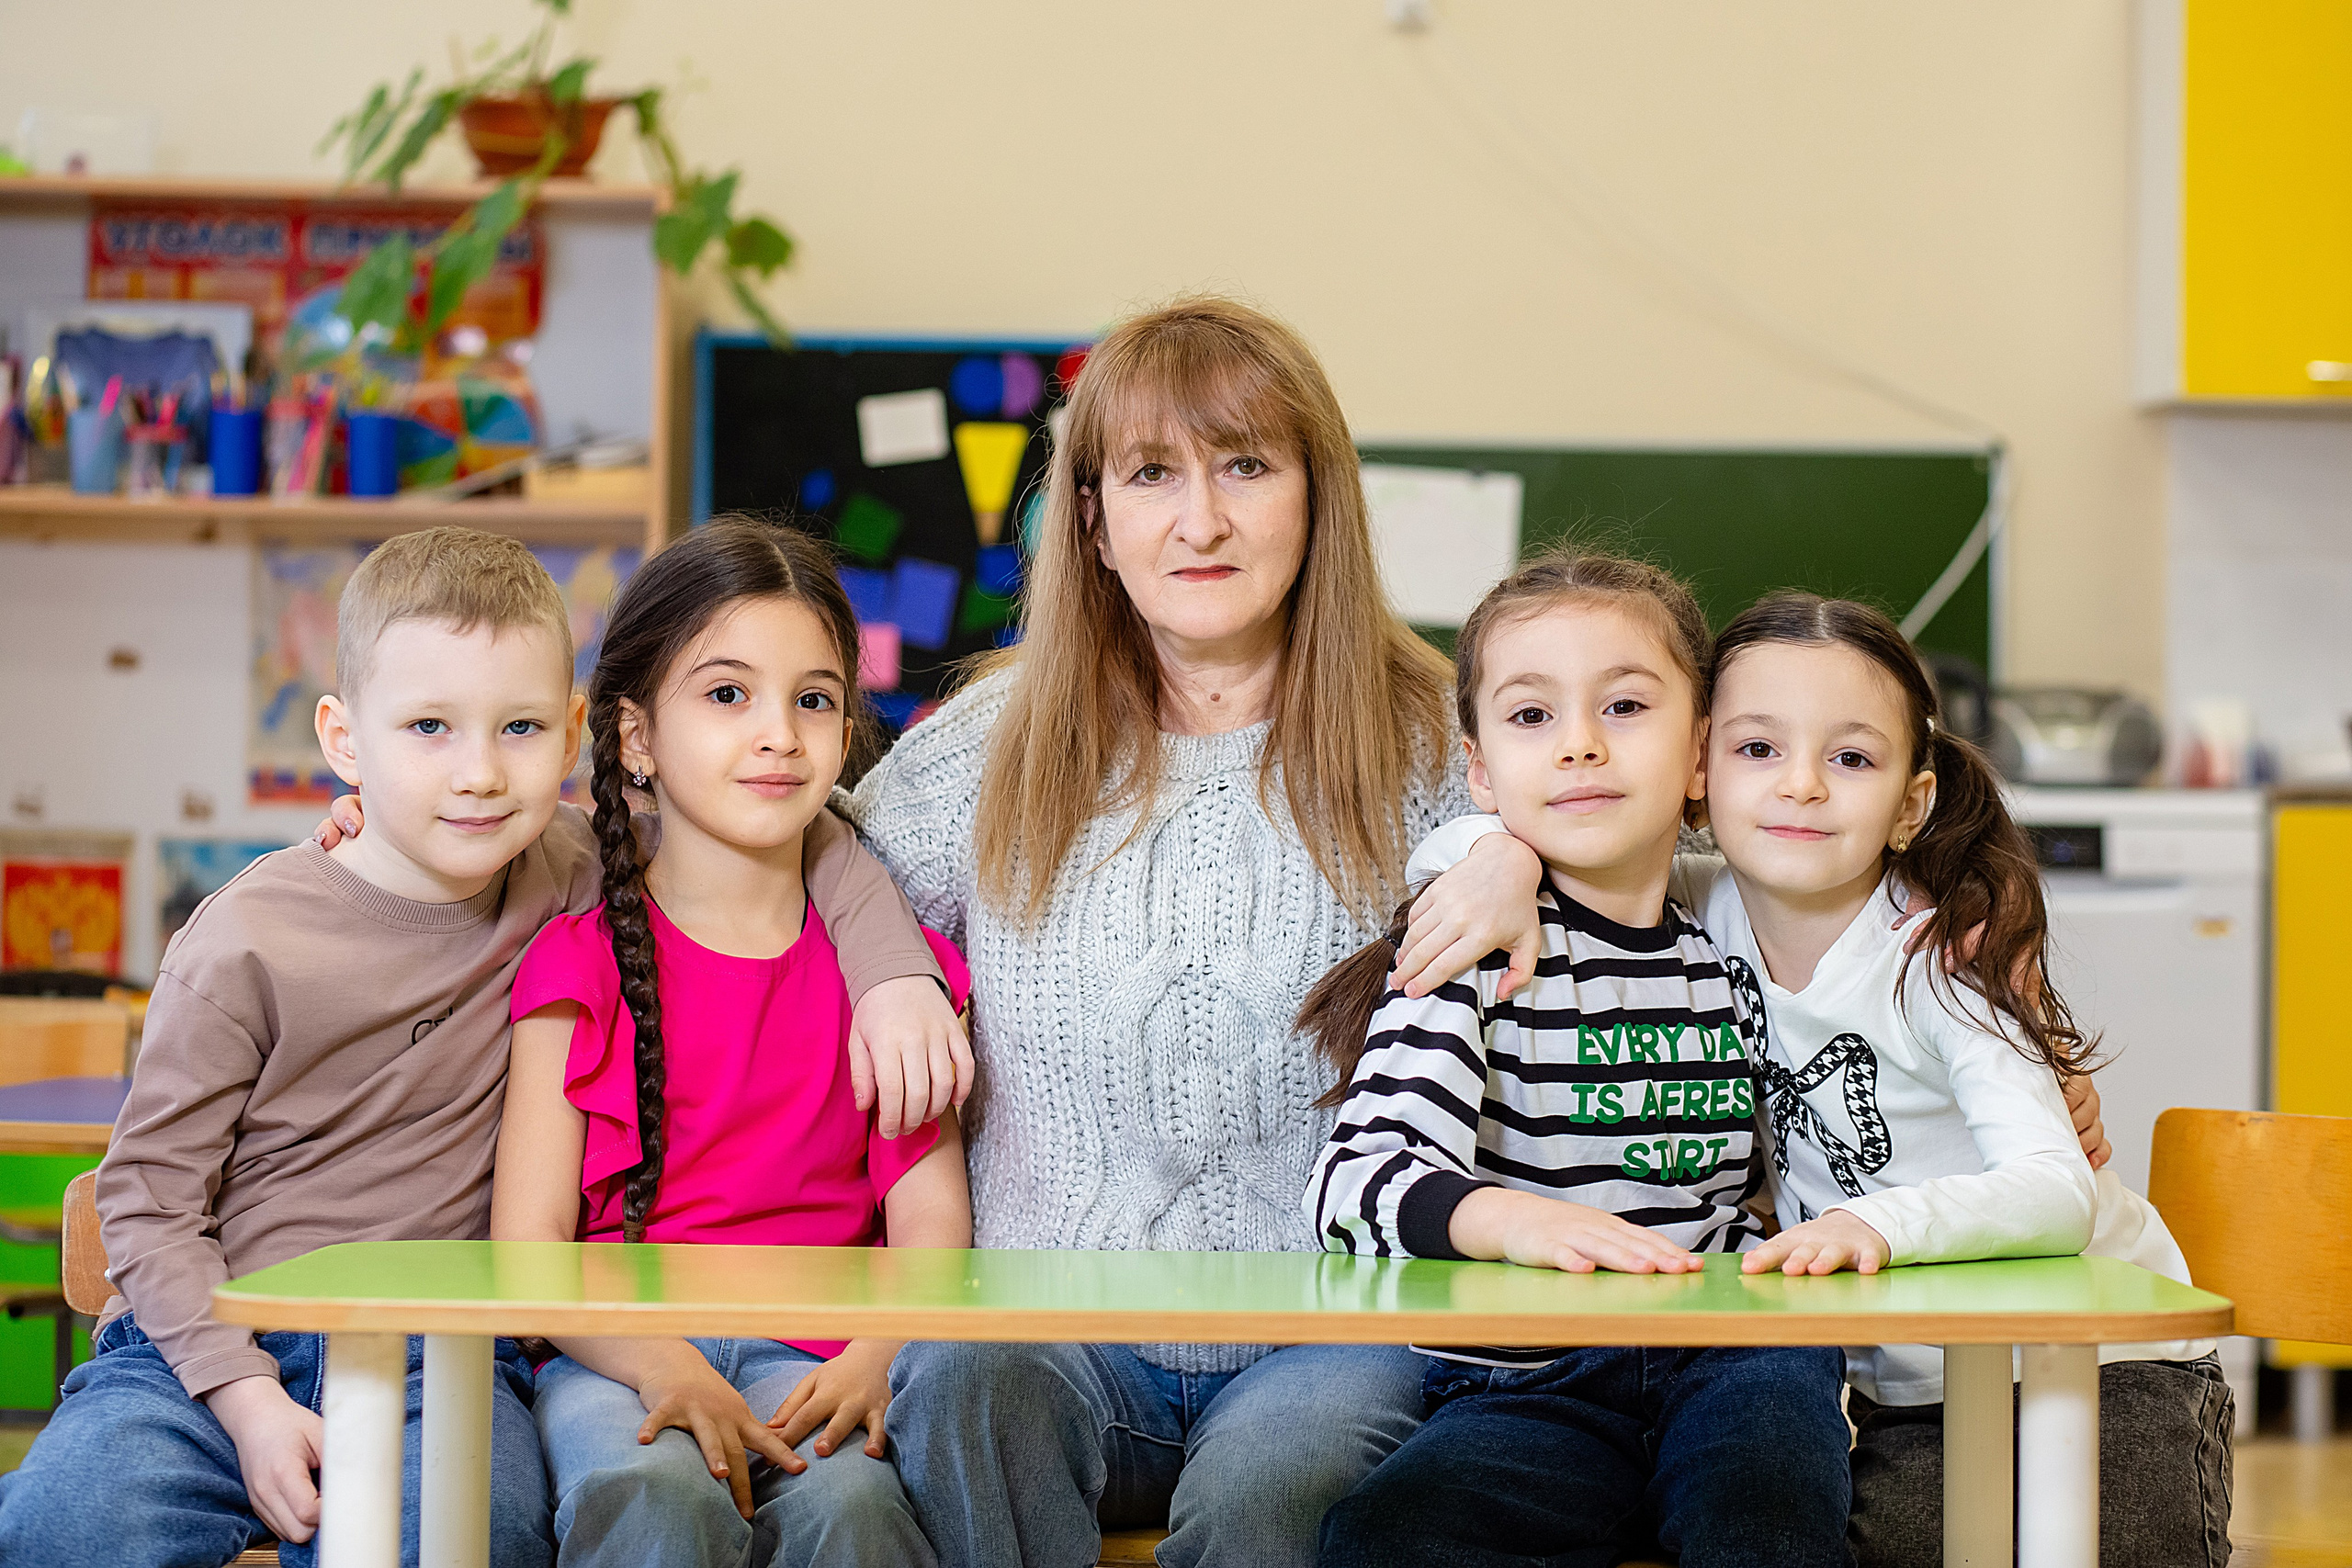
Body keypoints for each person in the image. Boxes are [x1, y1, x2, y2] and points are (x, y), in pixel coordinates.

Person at [0, 526, 950, 1568]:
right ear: (344, 740)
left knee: (480, 1538)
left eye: (520, 728)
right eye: (428, 728)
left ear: (575, 733)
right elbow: (147, 1198)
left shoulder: (573, 864)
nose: (481, 774)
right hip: (207, 1349)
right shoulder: (244, 939)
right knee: (57, 1529)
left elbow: (798, 831)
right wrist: (245, 1397)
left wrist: (892, 972)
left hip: (440, 1357)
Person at [846, 296, 1483, 1568]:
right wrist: (887, 965)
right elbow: (799, 855)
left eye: (1245, 465)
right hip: (1055, 1330)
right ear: (1091, 519)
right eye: (1151, 474)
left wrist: (1511, 849)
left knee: (1269, 1494)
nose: (1202, 521)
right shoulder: (990, 744)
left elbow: (1662, 855)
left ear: (1318, 496)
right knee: (964, 1381)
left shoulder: (1441, 740)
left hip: (1332, 1336)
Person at [1408, 590, 2230, 1568]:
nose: (1799, 786)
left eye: (1851, 759)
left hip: (2097, 1363)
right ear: (1699, 771)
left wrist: (1867, 1225)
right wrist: (1492, 858)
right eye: (1758, 749)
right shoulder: (1694, 913)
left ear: (1910, 805)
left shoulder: (1942, 958)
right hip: (1901, 1386)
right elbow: (1547, 838)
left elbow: (2058, 1190)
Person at [1304, 549, 1855, 1568]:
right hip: (1530, 1375)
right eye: (1531, 715)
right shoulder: (1472, 948)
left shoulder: (1740, 932)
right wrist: (1513, 1220)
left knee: (1762, 1529)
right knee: (1386, 1539)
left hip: (1737, 1347)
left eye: (1625, 707)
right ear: (1479, 772)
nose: (1580, 746)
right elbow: (1352, 1185)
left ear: (1701, 753)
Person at [493, 519, 972, 1568]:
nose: (779, 735)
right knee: (649, 1490)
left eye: (814, 699)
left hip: (821, 1363)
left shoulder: (896, 984)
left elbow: (934, 1226)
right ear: (634, 737)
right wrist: (662, 1366)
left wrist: (877, 1355)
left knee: (857, 1510)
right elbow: (529, 1249)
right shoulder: (574, 965)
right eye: (726, 695)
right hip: (620, 1361)